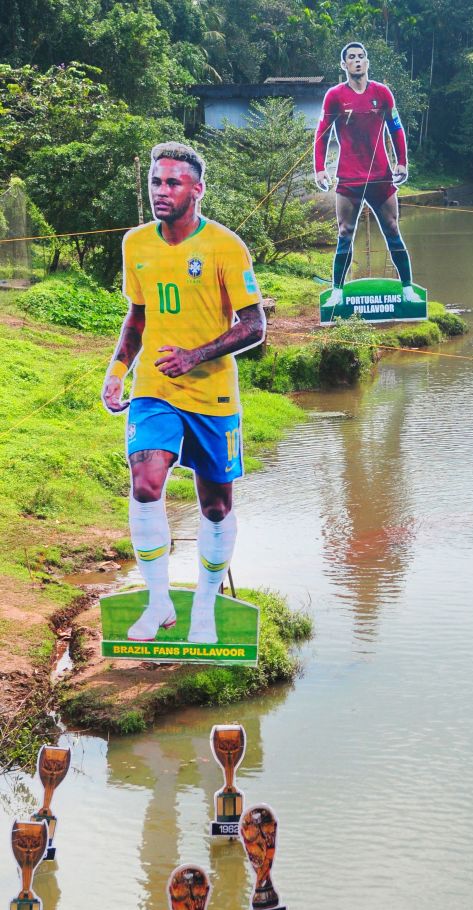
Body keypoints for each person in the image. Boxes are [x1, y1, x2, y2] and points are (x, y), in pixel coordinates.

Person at [101, 141, 266, 644]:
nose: (161, 191)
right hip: (154, 387)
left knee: (215, 507)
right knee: (146, 481)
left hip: (213, 395)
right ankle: (158, 604)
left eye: (173, 182)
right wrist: (117, 369)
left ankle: (206, 608)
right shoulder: (136, 244)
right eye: (156, 182)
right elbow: (138, 315)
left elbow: (255, 325)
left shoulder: (224, 246)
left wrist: (195, 355)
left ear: (197, 189)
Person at [314, 41, 421, 308]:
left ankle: (407, 288)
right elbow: (322, 133)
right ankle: (337, 292)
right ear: (344, 65)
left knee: (393, 229)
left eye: (361, 57)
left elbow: (396, 129)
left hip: (381, 177)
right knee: (344, 232)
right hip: (349, 178)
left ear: (367, 62)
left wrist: (402, 163)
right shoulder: (335, 95)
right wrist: (319, 168)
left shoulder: (382, 93)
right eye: (352, 57)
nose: (357, 61)